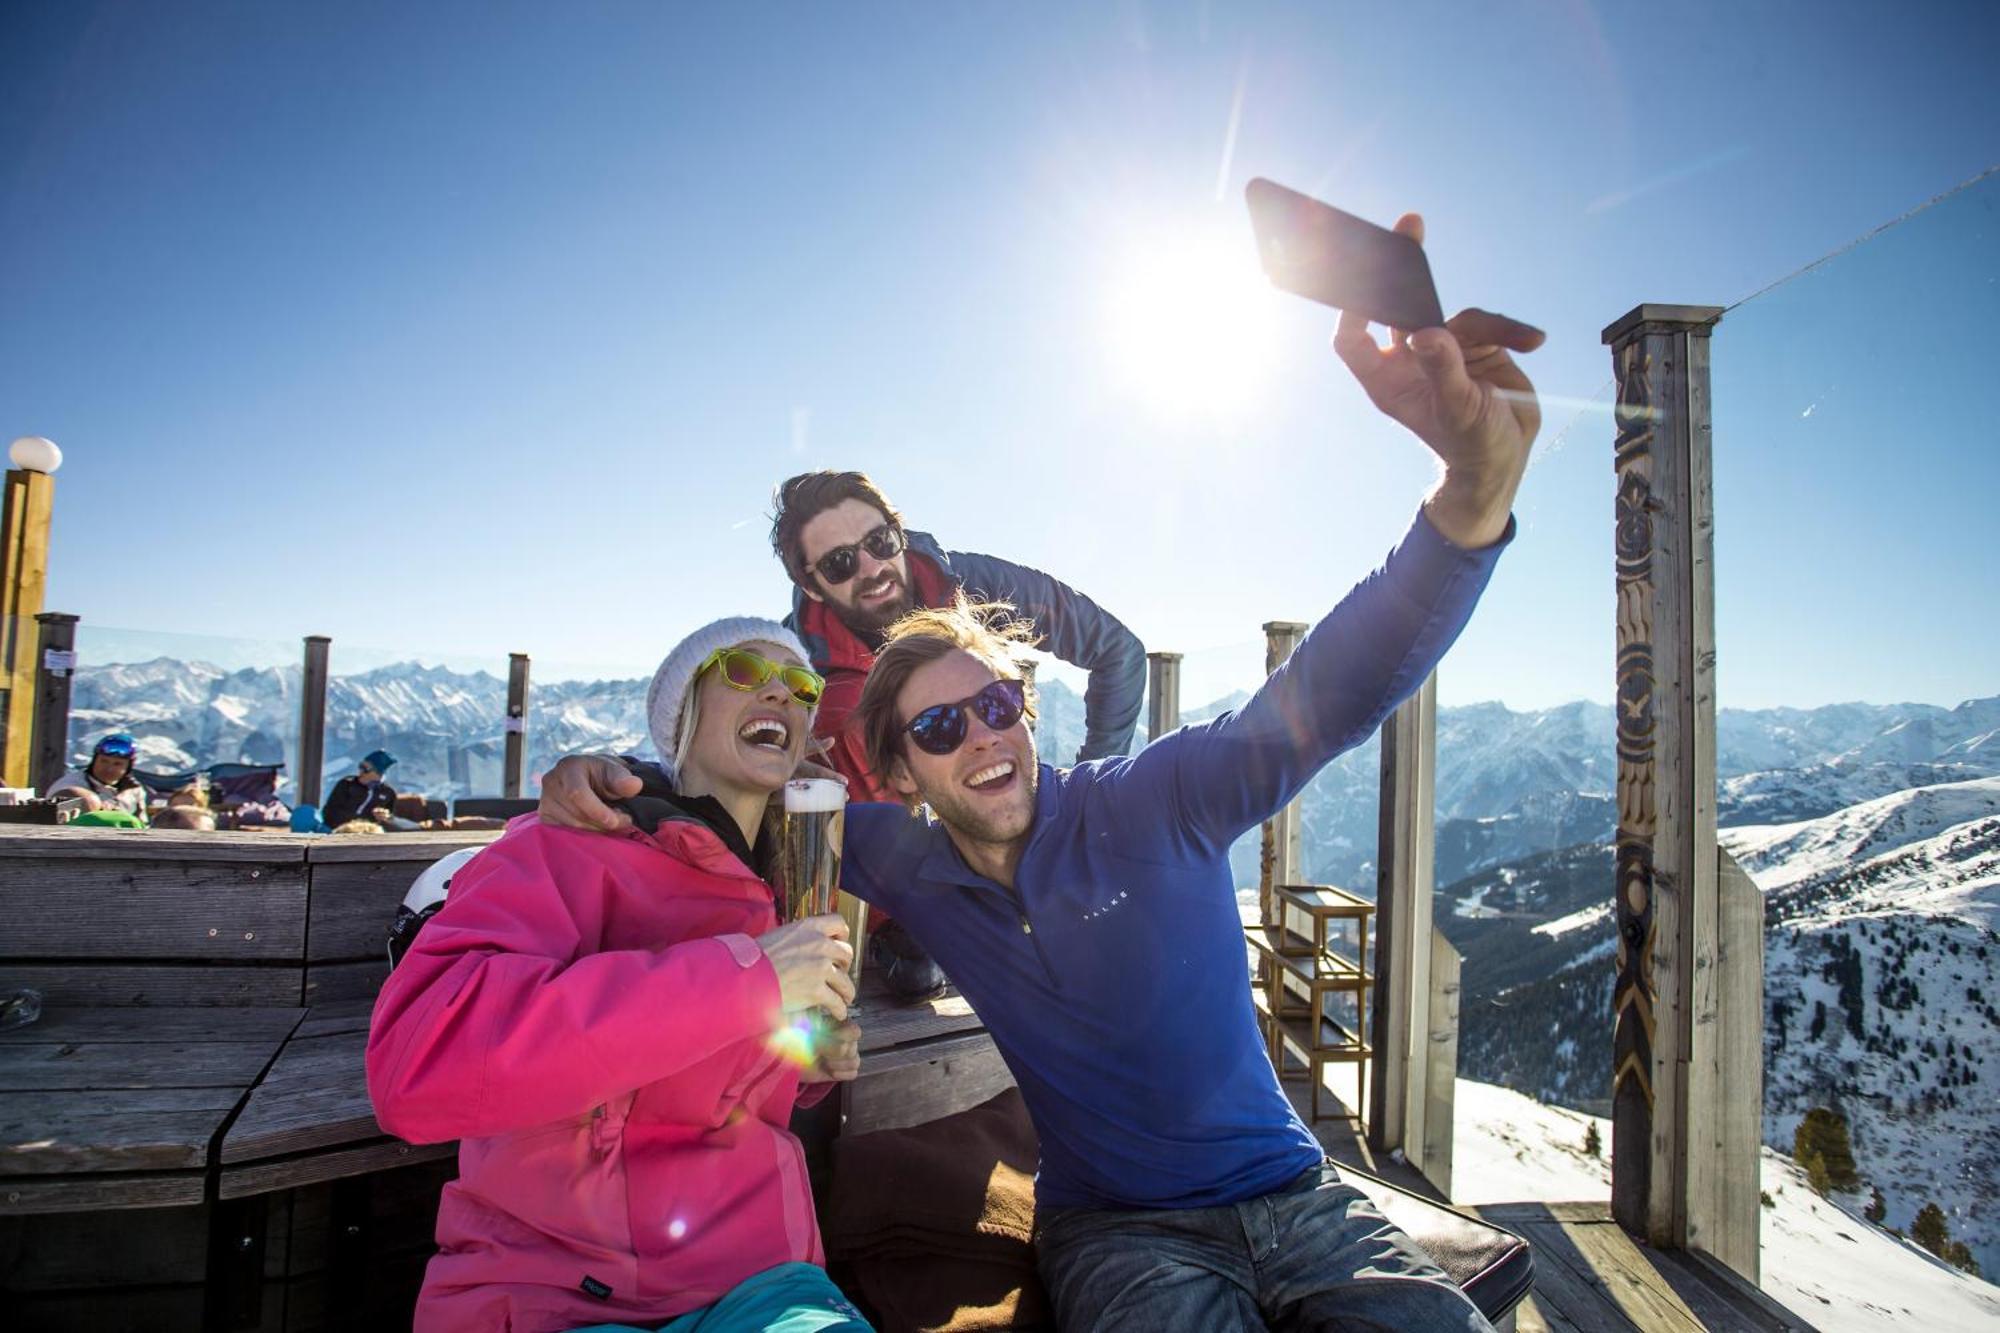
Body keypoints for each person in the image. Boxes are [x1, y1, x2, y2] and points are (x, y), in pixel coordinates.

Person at [541, 213, 1541, 1331]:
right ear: (900, 774)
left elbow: (1328, 689)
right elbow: (737, 780)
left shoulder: (1158, 799)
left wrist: (1468, 498)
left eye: (996, 704)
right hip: (1120, 1232)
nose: (978, 735)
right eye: (934, 731)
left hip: (1297, 1195)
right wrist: (611, 778)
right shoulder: (900, 859)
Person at [367, 617, 871, 1333]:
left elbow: (720, 1079)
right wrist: (750, 979)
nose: (779, 696)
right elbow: (417, 1065)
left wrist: (807, 1057)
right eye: (742, 672)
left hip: (761, 1283)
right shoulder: (566, 845)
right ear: (682, 712)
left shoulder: (786, 887)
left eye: (798, 687)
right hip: (556, 1289)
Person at [771, 469, 1148, 998]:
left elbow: (1119, 652)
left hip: (1006, 799)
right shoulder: (798, 663)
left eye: (881, 542)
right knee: (842, 715)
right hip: (897, 861)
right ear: (811, 584)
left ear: (898, 531)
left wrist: (1088, 793)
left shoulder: (981, 588)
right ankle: (910, 925)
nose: (874, 568)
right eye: (840, 563)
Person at [47, 732, 148, 821]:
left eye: (117, 764)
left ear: (129, 766)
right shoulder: (69, 786)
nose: (109, 769)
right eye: (104, 761)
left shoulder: (133, 790)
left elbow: (142, 826)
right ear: (94, 760)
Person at [321, 749, 398, 828]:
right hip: (336, 830)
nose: (360, 771)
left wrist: (383, 817)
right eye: (360, 766)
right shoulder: (347, 784)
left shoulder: (388, 792)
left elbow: (390, 818)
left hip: (366, 834)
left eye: (365, 769)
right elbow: (329, 811)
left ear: (378, 773)